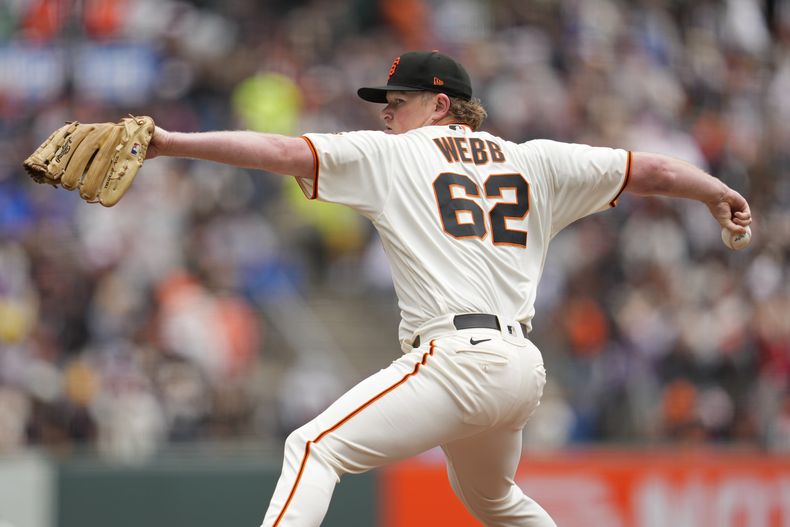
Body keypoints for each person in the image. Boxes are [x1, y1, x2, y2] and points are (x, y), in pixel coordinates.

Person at [146, 51, 752, 527]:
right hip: (519, 370)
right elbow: (651, 170)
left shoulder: (393, 156)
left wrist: (168, 143)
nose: (386, 113)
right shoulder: (534, 159)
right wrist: (717, 193)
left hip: (457, 360)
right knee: (494, 500)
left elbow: (278, 150)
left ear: (441, 105)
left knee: (312, 449)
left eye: (399, 101)